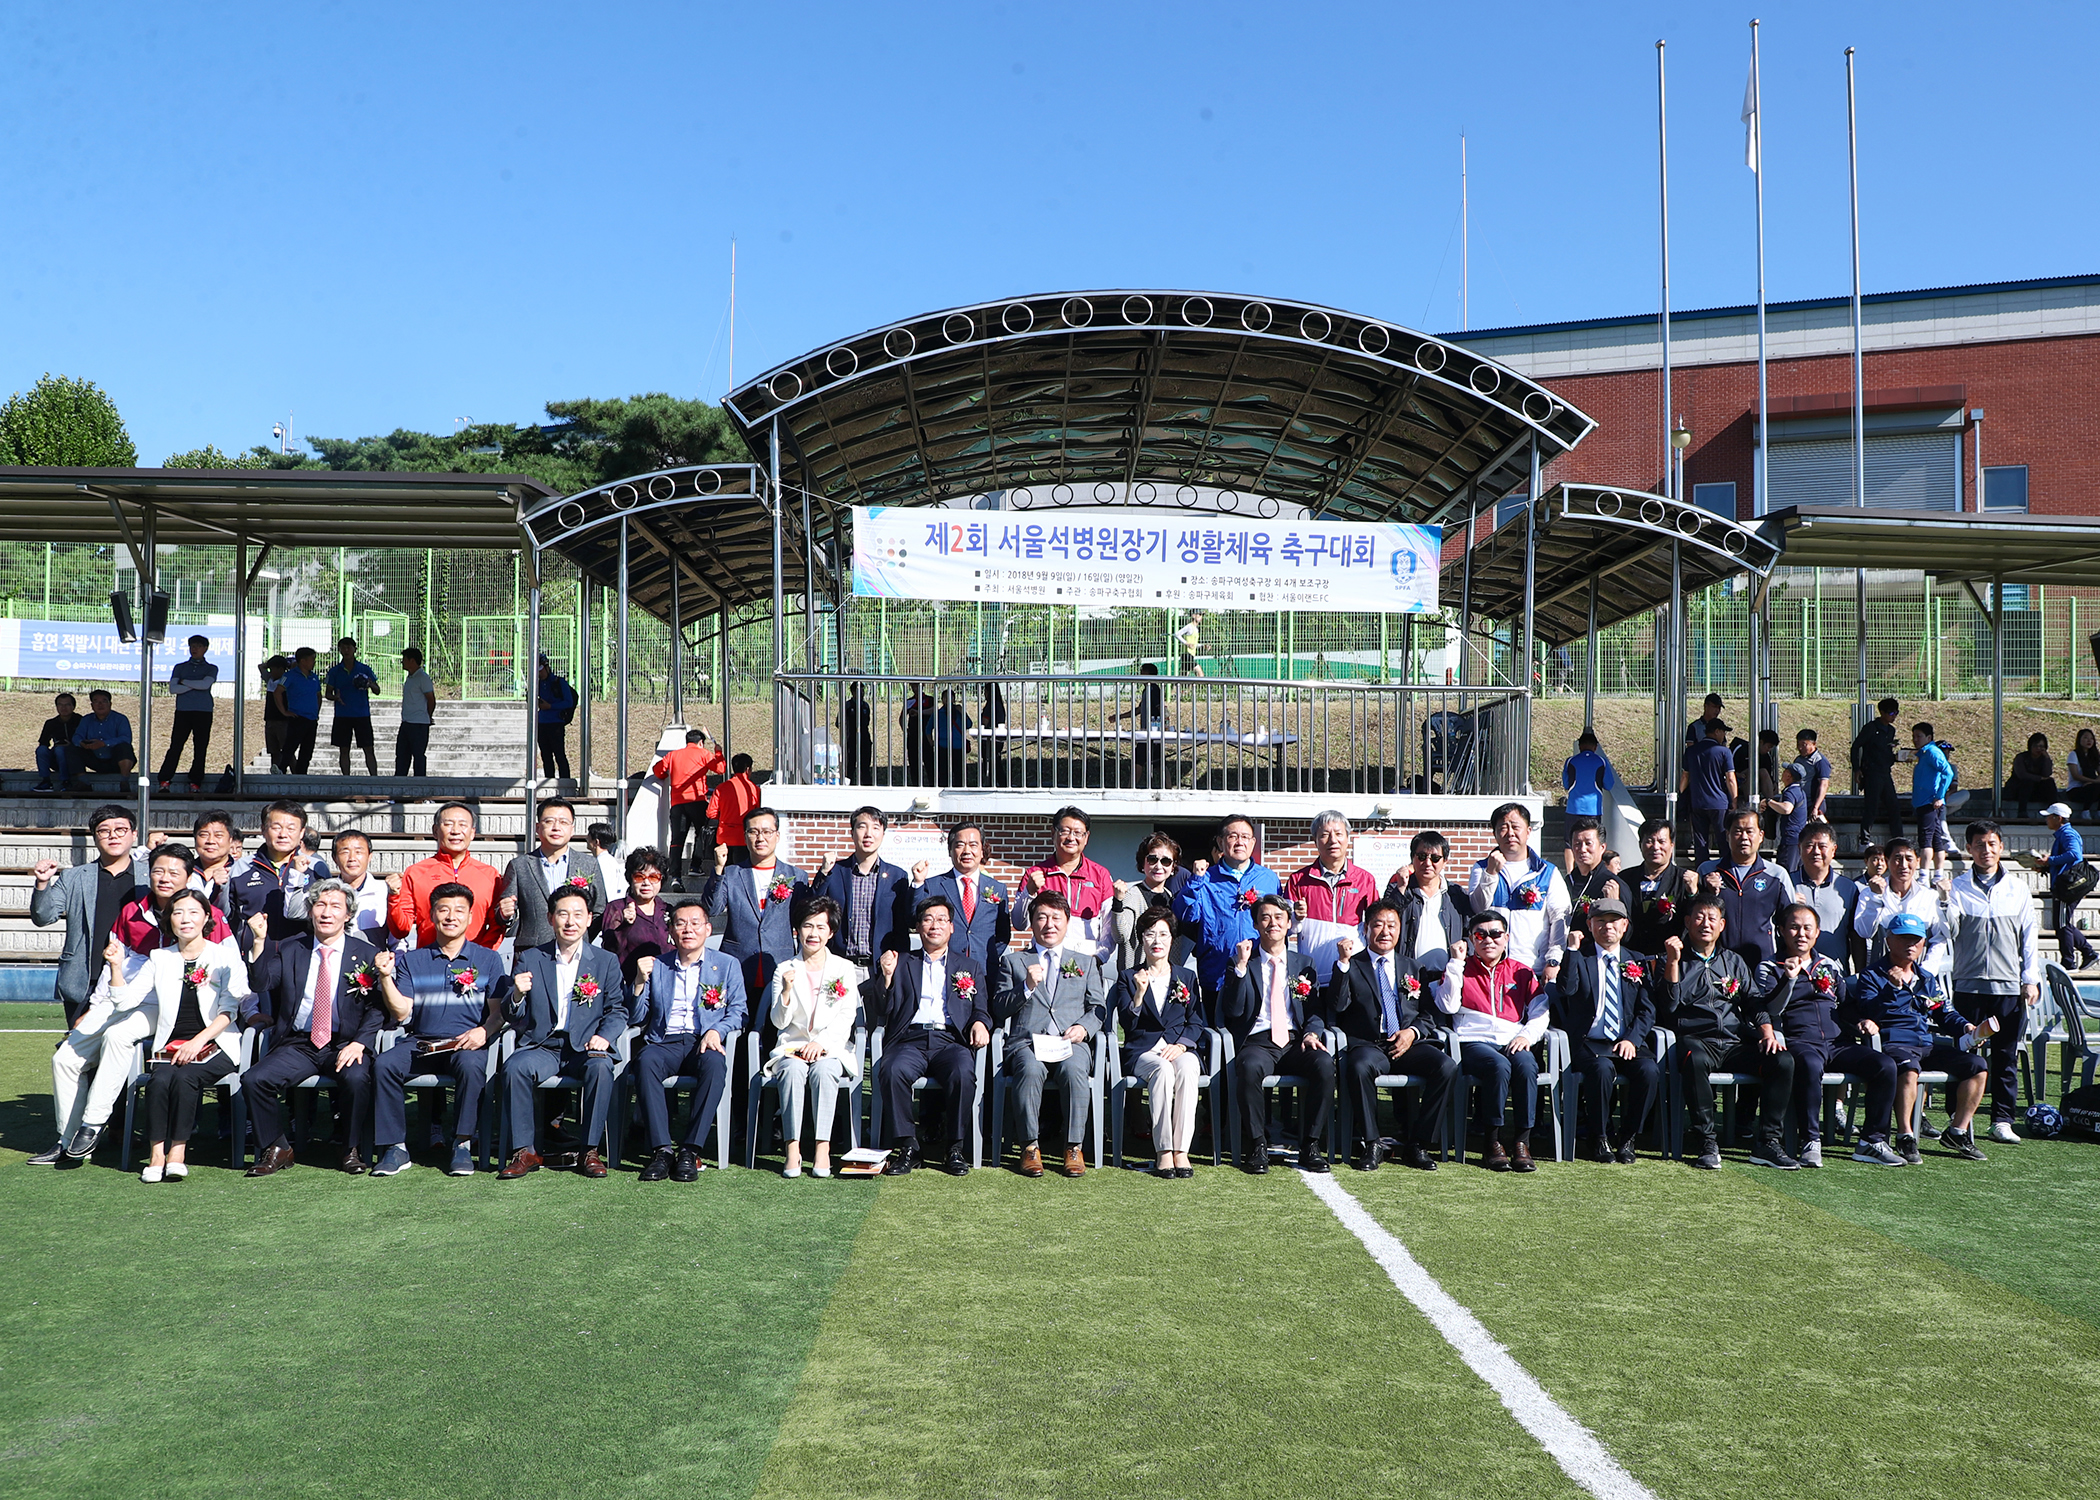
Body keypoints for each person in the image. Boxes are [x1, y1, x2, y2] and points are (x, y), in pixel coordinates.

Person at [238, 879, 384, 1176]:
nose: (326, 913)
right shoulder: (292, 949)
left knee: (357, 1078)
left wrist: (360, 1042)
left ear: (348, 914)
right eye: (320, 905)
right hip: (299, 1043)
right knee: (254, 1079)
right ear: (310, 911)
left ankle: (350, 1148)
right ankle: (278, 1147)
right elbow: (261, 983)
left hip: (345, 1043)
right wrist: (258, 942)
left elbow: (378, 1008)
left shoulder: (365, 953)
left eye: (335, 907)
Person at [369, 882, 508, 1177]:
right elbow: (402, 1011)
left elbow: (498, 1013)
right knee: (383, 1064)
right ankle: (395, 1147)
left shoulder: (488, 959)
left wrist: (483, 1031)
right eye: (443, 910)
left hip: (465, 1043)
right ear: (431, 915)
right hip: (422, 1041)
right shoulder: (414, 960)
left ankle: (461, 1143)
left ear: (471, 917)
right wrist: (384, 978)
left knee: (472, 1067)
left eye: (459, 910)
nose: (451, 916)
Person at [497, 887, 629, 1179]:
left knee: (601, 1068)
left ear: (589, 919)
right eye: (563, 914)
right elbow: (511, 1013)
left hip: (586, 1046)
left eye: (578, 914)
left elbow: (618, 1010)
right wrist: (517, 994)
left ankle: (589, 1150)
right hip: (543, 1046)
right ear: (550, 918)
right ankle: (525, 1152)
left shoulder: (605, 961)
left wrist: (605, 1036)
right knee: (514, 1068)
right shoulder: (531, 958)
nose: (570, 921)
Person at [1751, 902, 1892, 1169]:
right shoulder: (1769, 967)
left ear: (1817, 933)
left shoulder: (1828, 964)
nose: (1800, 933)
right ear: (1781, 930)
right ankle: (1810, 1140)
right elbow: (1769, 1009)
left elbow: (1846, 1004)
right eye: (1793, 927)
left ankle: (1871, 1140)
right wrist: (1789, 980)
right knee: (1809, 1064)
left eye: (1807, 928)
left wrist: (1863, 1020)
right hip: (1799, 1041)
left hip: (1837, 1042)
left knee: (1883, 1065)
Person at [1840, 914, 1991, 1164]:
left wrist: (1966, 1027)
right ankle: (1905, 1135)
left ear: (1923, 944)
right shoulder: (1871, 975)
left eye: (1916, 939)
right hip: (1892, 1044)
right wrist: (1892, 989)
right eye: (1903, 938)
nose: (1910, 944)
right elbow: (1868, 1011)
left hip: (1926, 1044)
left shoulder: (1926, 979)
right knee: (1909, 1069)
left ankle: (1957, 1131)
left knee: (1978, 1068)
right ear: (1889, 940)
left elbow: (1943, 1011)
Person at [870, 893, 992, 1176]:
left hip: (950, 1040)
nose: (934, 925)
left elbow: (982, 1008)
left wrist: (980, 1023)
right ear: (918, 927)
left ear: (951, 927)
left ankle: (955, 1147)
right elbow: (882, 1007)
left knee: (963, 1072)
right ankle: (909, 1146)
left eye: (941, 920)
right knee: (891, 1070)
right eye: (927, 919)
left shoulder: (969, 967)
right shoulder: (901, 962)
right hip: (909, 1039)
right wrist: (886, 978)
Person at [1331, 899, 1456, 1172]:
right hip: (1369, 1045)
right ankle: (1372, 1142)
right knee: (1359, 1066)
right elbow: (1338, 1006)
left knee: (1445, 1067)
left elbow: (1428, 1015)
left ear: (1400, 930)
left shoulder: (1413, 967)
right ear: (1366, 929)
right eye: (1378, 925)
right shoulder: (1351, 965)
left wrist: (1411, 1033)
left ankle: (1419, 1143)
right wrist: (1342, 964)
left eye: (1392, 925)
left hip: (1407, 1043)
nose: (1385, 931)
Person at [131, 890, 249, 1181]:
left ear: (207, 917)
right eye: (178, 912)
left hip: (216, 1043)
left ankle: (178, 1152)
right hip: (170, 1044)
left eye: (193, 912)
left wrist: (198, 1042)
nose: (185, 919)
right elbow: (125, 1000)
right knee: (159, 1080)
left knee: (186, 1077)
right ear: (169, 919)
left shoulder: (223, 956)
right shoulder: (159, 957)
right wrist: (115, 967)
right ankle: (157, 1153)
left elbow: (229, 1011)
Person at [628, 900, 746, 1182]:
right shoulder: (658, 966)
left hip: (703, 1040)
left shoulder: (727, 965)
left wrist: (718, 1030)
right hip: (664, 1041)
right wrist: (639, 983)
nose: (688, 929)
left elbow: (739, 1011)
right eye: (680, 923)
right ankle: (662, 1150)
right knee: (645, 1062)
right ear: (671, 930)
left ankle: (690, 1150)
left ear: (707, 929)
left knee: (716, 1066)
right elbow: (636, 1016)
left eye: (695, 923)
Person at [992, 890, 1107, 1178]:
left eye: (1056, 917)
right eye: (1041, 917)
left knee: (1074, 1070)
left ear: (1067, 922)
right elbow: (999, 1008)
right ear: (1032, 922)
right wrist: (1026, 988)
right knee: (1030, 1071)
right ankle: (1030, 1147)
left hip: (1071, 1042)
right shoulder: (1013, 961)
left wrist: (1083, 1028)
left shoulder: (1085, 962)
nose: (1049, 924)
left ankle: (1073, 1147)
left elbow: (1098, 1007)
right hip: (1028, 1043)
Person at [1661, 892, 1780, 1170]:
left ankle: (1768, 1142)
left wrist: (1766, 1029)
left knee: (1781, 1060)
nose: (1705, 923)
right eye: (1699, 917)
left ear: (1722, 925)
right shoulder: (1675, 959)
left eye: (1712, 918)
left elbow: (1752, 1000)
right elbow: (1669, 1006)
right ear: (1688, 922)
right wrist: (1673, 963)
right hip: (1696, 1040)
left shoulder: (1734, 961)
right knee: (1694, 1057)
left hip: (1734, 1041)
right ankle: (1707, 1141)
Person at [1216, 892, 1330, 1174]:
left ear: (1289, 923)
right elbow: (1232, 1009)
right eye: (1265, 917)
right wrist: (1240, 968)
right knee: (1250, 1067)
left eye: (1279, 917)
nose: (1272, 923)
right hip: (1257, 1041)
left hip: (1295, 1041)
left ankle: (1311, 1144)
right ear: (1256, 924)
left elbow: (1314, 1010)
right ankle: (1257, 1144)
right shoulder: (1242, 961)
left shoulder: (1305, 964)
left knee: (1325, 1065)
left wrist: (1312, 1033)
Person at [1944, 819, 2041, 1145]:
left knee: (2005, 1057)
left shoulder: (2017, 889)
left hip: (2007, 987)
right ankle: (1956, 1119)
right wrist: (1944, 902)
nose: (1986, 850)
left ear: (2000, 847)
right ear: (1969, 848)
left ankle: (2001, 1119)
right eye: (1979, 844)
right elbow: (1950, 931)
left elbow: (2029, 937)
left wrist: (2030, 978)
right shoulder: (1957, 887)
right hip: (1968, 985)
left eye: (1992, 844)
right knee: (1964, 1055)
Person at [1435, 908, 1546, 1171]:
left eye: (1496, 934)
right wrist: (1455, 963)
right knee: (1498, 1065)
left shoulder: (1522, 971)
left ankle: (1521, 1142)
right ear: (1472, 939)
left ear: (1506, 937)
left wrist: (1526, 1035)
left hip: (1512, 1040)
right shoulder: (1460, 968)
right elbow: (1447, 1006)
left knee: (1528, 1065)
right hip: (1473, 1042)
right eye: (1480, 934)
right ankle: (1492, 1141)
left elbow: (1542, 1011)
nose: (1489, 940)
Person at [1554, 897, 1661, 1163]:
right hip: (1589, 1042)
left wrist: (1633, 1040)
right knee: (1601, 1070)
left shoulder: (1636, 960)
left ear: (1624, 926)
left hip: (1625, 1042)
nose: (1607, 927)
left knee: (1649, 1071)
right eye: (1600, 921)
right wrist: (1572, 950)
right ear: (1590, 925)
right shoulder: (1581, 957)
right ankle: (1599, 1136)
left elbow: (1647, 1010)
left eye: (1614, 922)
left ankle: (1628, 1138)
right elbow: (1565, 989)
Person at [28, 803, 148, 1033]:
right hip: (85, 981)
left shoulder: (151, 875)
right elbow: (44, 917)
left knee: (128, 1051)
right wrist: (43, 883)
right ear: (95, 837)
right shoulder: (74, 877)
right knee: (80, 1055)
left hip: (136, 979)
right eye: (104, 830)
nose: (113, 835)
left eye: (121, 829)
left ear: (133, 835)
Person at [765, 899, 860, 1178]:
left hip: (830, 1048)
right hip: (791, 1047)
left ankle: (822, 1146)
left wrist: (822, 1044)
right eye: (807, 926)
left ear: (831, 932)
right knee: (793, 1071)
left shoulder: (843, 968)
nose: (813, 933)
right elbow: (778, 1022)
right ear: (797, 930)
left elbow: (846, 1015)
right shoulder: (784, 969)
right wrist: (785, 992)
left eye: (821, 926)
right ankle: (792, 1147)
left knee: (824, 1071)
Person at [1111, 906, 1209, 1177]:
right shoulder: (1128, 977)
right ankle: (1164, 1151)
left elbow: (1196, 1022)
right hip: (1143, 1051)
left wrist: (1182, 1045)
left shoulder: (1187, 977)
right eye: (1150, 934)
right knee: (1163, 1070)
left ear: (1172, 939)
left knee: (1189, 1066)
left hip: (1178, 1046)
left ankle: (1182, 1150)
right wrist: (1139, 995)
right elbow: (1128, 1025)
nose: (1157, 941)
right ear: (1142, 939)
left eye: (1163, 934)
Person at [705, 806, 810, 999]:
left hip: (780, 966)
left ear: (777, 836)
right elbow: (712, 908)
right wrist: (719, 869)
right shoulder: (732, 874)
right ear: (745, 837)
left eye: (767, 832)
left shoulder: (796, 877)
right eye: (753, 832)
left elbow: (804, 921)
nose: (760, 838)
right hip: (739, 966)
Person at [1175, 813, 1283, 993]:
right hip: (1217, 973)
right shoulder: (1205, 878)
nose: (1240, 842)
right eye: (1233, 836)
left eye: (1245, 837)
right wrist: (1195, 881)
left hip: (1259, 971)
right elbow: (1186, 915)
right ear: (1220, 842)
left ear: (1253, 842)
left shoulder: (1268, 879)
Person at [1466, 802, 1568, 984]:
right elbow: (1477, 909)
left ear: (1528, 831)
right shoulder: (1481, 868)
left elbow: (1560, 918)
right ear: (1495, 834)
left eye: (1515, 827)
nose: (1510, 833)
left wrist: (1554, 960)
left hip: (1531, 970)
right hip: (1490, 971)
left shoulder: (1547, 872)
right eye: (1503, 828)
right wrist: (1490, 873)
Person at [387, 801, 505, 950]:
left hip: (474, 967)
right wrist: (394, 897)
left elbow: (497, 927)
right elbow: (400, 930)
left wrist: (481, 958)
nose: (455, 831)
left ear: (473, 832)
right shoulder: (416, 873)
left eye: (463, 825)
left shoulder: (490, 875)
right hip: (428, 962)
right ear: (435, 831)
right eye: (448, 824)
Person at [813, 806, 915, 979]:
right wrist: (823, 874)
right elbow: (813, 909)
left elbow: (901, 925)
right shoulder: (835, 871)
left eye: (876, 827)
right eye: (862, 826)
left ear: (883, 833)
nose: (869, 833)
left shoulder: (897, 876)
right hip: (838, 967)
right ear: (852, 833)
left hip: (879, 969)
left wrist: (898, 963)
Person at [1284, 810, 1379, 982]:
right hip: (1313, 975)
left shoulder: (1365, 880)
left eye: (1338, 834)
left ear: (1348, 838)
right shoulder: (1298, 880)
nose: (1333, 840)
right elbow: (1286, 928)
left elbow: (1376, 925)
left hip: (1353, 974)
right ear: (1315, 841)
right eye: (1325, 835)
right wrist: (1296, 917)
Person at [500, 798, 605, 952]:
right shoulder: (519, 866)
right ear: (537, 827)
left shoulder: (589, 864)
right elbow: (504, 912)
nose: (556, 828)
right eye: (549, 821)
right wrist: (504, 914)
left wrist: (581, 935)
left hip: (577, 950)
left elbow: (600, 909)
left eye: (563, 822)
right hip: (532, 951)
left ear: (572, 829)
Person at [1697, 810, 1798, 967]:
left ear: (1761, 836)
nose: (1744, 837)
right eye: (1737, 831)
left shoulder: (1777, 875)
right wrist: (1706, 891)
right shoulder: (1707, 871)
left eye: (1750, 831)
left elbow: (1791, 921)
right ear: (1727, 835)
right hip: (1719, 963)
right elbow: (1693, 916)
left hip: (1763, 963)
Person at [1020, 805, 1118, 967]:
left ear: (1086, 837)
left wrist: (1099, 957)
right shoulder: (1035, 874)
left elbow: (1109, 926)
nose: (1071, 837)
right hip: (1045, 961)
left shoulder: (1101, 875)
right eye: (1065, 831)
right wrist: (1029, 892)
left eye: (1078, 833)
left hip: (1088, 961)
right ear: (1053, 833)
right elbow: (1019, 923)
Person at [227, 799, 332, 942]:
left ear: (301, 833)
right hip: (255, 955)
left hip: (301, 955)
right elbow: (228, 915)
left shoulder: (316, 868)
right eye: (276, 827)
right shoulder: (241, 868)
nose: (283, 834)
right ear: (263, 829)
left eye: (291, 828)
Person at [915, 821, 1013, 973]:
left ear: (982, 851)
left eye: (973, 845)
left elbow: (1003, 935)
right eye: (960, 845)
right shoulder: (933, 885)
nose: (967, 851)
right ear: (950, 850)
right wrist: (917, 883)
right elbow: (912, 918)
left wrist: (987, 956)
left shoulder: (998, 889)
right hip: (944, 969)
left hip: (985, 971)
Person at [1852, 837, 1951, 979]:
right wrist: (1876, 898)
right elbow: (1864, 932)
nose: (1903, 865)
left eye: (1909, 859)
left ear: (1918, 861)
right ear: (1887, 861)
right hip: (1881, 975)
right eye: (1897, 858)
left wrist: (1926, 971)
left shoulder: (1930, 896)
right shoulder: (1869, 893)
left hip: (1919, 974)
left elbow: (1939, 938)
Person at [1388, 830, 1473, 986]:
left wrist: (1463, 959)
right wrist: (1400, 890)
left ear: (1445, 861)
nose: (1427, 863)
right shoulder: (1399, 889)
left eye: (1435, 858)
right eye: (1421, 857)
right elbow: (1386, 920)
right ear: (1412, 859)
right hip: (1407, 978)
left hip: (1447, 979)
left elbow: (1471, 932)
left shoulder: (1456, 894)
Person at [113, 844, 234, 953]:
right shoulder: (131, 912)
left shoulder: (210, 914)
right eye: (158, 872)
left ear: (189, 877)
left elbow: (230, 960)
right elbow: (114, 958)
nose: (165, 879)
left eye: (173, 873)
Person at [294, 829, 391, 947]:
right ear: (334, 858)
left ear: (370, 856)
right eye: (345, 852)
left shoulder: (384, 891)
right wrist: (297, 875)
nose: (352, 858)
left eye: (358, 852)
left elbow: (396, 939)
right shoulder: (323, 891)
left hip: (372, 962)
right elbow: (294, 911)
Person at [651, 728, 724, 883]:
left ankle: (675, 874)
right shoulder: (703, 754)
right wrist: (718, 753)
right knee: (701, 833)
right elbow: (720, 769)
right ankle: (695, 866)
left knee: (677, 839)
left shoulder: (672, 755)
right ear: (701, 743)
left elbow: (658, 771)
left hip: (677, 804)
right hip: (697, 801)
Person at [1787, 821, 1861, 974]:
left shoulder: (1848, 888)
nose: (1815, 851)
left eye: (1822, 846)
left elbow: (1856, 936)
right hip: (1793, 972)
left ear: (1833, 850)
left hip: (1835, 974)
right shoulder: (1786, 884)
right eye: (1809, 845)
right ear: (1799, 848)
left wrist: (1860, 973)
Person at [1111, 832, 1190, 972]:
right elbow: (1121, 936)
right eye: (1152, 860)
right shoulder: (1132, 896)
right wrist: (1118, 902)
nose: (1159, 866)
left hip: (1167, 977)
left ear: (1173, 867)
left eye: (1166, 861)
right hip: (1137, 978)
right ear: (1143, 863)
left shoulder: (1172, 898)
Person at [2033, 803, 2098, 969]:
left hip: (2066, 887)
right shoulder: (2063, 834)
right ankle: (2088, 953)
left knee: (2061, 924)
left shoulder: (2068, 834)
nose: (2046, 819)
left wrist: (2050, 860)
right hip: (2064, 885)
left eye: (2049, 816)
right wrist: (2046, 866)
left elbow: (2074, 855)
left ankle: (2069, 962)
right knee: (2062, 923)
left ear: (2058, 818)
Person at [598, 848, 674, 985]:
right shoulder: (616, 908)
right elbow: (609, 951)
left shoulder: (668, 910)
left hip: (665, 982)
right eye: (639, 876)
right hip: (629, 983)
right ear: (630, 878)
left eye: (653, 877)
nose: (646, 883)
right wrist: (625, 925)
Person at [1625, 818, 1696, 958]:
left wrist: (1692, 894)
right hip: (1631, 956)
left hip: (1670, 958)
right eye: (1649, 841)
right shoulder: (1625, 878)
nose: (1655, 847)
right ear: (1640, 845)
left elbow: (1693, 919)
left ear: (1671, 845)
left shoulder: (1685, 879)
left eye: (1662, 842)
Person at [156, 634, 219, 792]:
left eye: (198, 646)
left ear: (205, 649)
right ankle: (165, 779)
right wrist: (194, 684)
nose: (194, 649)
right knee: (176, 745)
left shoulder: (211, 668)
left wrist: (184, 682)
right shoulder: (180, 667)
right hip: (183, 711)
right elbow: (173, 688)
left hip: (204, 711)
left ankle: (196, 781)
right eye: (192, 646)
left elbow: (205, 685)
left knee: (200, 746)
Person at [1679, 717, 1737, 864]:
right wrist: (1735, 800)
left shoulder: (1691, 751)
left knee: (1700, 841)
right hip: (1719, 803)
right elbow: (1730, 778)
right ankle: (1725, 869)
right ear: (1716, 731)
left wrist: (1681, 794)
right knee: (1723, 839)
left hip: (1697, 802)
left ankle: (1702, 870)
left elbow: (1685, 776)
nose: (1724, 736)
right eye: (1723, 732)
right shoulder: (1724, 752)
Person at [318, 637, 379, 777]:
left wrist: (370, 684)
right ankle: (346, 779)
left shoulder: (364, 669)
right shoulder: (334, 671)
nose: (346, 651)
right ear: (339, 650)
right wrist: (335, 697)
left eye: (349, 647)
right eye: (343, 648)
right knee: (344, 749)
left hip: (362, 714)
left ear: (354, 649)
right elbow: (328, 693)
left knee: (368, 748)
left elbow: (377, 690)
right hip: (342, 715)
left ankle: (374, 778)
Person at [1851, 697, 1904, 850]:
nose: (1893, 716)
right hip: (1872, 772)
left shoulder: (1891, 730)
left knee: (1893, 805)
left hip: (1885, 772)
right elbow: (1856, 746)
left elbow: (1886, 752)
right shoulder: (1871, 728)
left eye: (1896, 713)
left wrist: (1898, 757)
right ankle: (1864, 840)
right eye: (1890, 713)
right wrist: (1857, 768)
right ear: (1881, 713)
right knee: (1871, 806)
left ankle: (1898, 839)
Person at [1561, 816, 1621, 943]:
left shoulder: (1613, 884)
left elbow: (1627, 933)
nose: (1582, 849)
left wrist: (1614, 905)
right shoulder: (1566, 882)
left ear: (1602, 847)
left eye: (1588, 843)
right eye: (1577, 844)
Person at [1909, 722, 1955, 876]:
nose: (1915, 739)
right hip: (1924, 800)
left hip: (1928, 801)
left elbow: (1948, 772)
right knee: (1936, 840)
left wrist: (1940, 796)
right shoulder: (1923, 753)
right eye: (1914, 736)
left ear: (1929, 737)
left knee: (1926, 840)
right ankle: (1938, 874)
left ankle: (1923, 874)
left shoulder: (1932, 752)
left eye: (1919, 736)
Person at [67, 688, 137, 786]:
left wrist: (104, 743)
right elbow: (77, 737)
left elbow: (126, 738)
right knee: (72, 748)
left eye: (104, 701)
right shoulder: (86, 719)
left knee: (125, 747)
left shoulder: (121, 719)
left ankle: (124, 782)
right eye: (96, 702)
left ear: (110, 704)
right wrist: (82, 743)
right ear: (92, 706)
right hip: (95, 759)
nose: (100, 705)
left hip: (115, 760)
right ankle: (84, 783)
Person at [707, 754, 762, 870]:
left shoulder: (721, 788)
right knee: (741, 872)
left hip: (724, 836)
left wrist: (724, 816)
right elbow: (757, 815)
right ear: (748, 769)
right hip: (744, 838)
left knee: (724, 872)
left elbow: (711, 813)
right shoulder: (755, 790)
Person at [274, 647, 324, 775]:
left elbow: (318, 695)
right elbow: (278, 692)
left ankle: (301, 775)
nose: (314, 662)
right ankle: (281, 770)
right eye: (312, 659)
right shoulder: (289, 675)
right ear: (303, 661)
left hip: (312, 719)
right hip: (297, 718)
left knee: (307, 751)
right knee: (289, 748)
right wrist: (284, 711)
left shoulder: (314, 677)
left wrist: (316, 712)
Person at [188, 809, 241, 921]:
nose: (211, 841)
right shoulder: (184, 872)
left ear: (230, 840)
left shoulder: (241, 872)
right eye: (204, 835)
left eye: (218, 835)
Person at [1560, 729, 1616, 830]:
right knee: (1592, 840)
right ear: (1595, 747)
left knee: (1571, 841)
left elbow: (1566, 784)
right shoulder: (1601, 761)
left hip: (1573, 809)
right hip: (1593, 811)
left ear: (1579, 746)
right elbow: (1609, 785)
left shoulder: (1570, 761)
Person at [395, 646, 437, 778]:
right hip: (407, 722)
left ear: (412, 661)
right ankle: (398, 787)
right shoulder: (410, 677)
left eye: (404, 659)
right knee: (402, 755)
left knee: (418, 756)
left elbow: (431, 699)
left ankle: (420, 787)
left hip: (419, 723)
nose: (402, 662)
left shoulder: (422, 677)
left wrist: (427, 716)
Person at [534, 654, 577, 782]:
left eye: (541, 668)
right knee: (545, 756)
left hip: (555, 723)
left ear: (547, 667)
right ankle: (549, 781)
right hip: (542, 723)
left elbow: (568, 702)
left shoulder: (559, 682)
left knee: (559, 754)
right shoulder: (537, 684)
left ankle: (565, 782)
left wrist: (551, 706)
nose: (539, 673)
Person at [1763, 761, 1809, 872]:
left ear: (1788, 776)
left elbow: (1786, 809)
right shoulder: (1799, 791)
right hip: (1798, 838)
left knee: (1785, 872)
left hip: (1790, 838)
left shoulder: (1791, 791)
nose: (1782, 773)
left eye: (1785, 771)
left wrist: (1769, 802)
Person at [32, 691, 81, 790]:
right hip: (56, 756)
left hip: (75, 757)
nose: (64, 708)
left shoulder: (80, 720)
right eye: (60, 705)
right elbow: (43, 742)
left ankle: (65, 781)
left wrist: (71, 745)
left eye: (67, 705)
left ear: (73, 706)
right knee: (41, 750)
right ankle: (46, 781)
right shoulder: (51, 723)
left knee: (61, 750)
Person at [2004, 732, 2057, 820]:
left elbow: (2047, 774)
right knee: (2027, 782)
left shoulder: (2043, 758)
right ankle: (2022, 812)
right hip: (2019, 789)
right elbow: (2022, 774)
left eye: (2041, 747)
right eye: (2036, 746)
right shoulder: (2021, 757)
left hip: (2036, 790)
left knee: (2049, 782)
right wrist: (2039, 778)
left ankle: (2054, 811)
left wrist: (2047, 759)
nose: (2038, 749)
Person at [258, 653, 292, 773]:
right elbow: (261, 667)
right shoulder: (270, 680)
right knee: (274, 751)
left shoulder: (287, 680)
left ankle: (295, 773)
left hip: (283, 721)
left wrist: (287, 664)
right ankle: (275, 773)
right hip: (270, 719)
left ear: (281, 669)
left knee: (287, 751)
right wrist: (270, 663)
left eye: (273, 669)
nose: (271, 671)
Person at [931, 691, 972, 786]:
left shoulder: (958, 712)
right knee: (943, 773)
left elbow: (969, 724)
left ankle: (960, 790)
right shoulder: (938, 713)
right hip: (943, 747)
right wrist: (932, 742)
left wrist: (963, 712)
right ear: (942, 700)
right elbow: (928, 729)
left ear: (954, 699)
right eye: (945, 697)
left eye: (950, 697)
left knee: (959, 773)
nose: (948, 700)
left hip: (958, 747)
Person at [839, 682, 875, 786]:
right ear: (853, 692)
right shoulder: (847, 705)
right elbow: (839, 722)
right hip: (851, 740)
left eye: (863, 690)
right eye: (859, 690)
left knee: (865, 767)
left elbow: (867, 721)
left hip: (864, 739)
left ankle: (867, 787)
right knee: (850, 767)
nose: (862, 693)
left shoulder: (865, 705)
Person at [1795, 729, 1834, 824]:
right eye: (1798, 744)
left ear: (1814, 744)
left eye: (1804, 745)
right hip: (1800, 803)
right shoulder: (1798, 760)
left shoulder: (1820, 761)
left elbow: (1823, 785)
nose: (1800, 748)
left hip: (1813, 804)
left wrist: (1816, 807)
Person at [587, 823, 628, 902]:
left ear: (596, 842)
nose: (586, 839)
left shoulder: (599, 863)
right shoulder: (611, 861)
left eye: (588, 836)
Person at [2066, 728, 2100, 821]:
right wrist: (2092, 781)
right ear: (2079, 740)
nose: (2089, 740)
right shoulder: (2074, 754)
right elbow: (2075, 775)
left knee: (2096, 787)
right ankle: (2085, 811)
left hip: (2092, 787)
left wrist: (2094, 782)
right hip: (2076, 789)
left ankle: (2098, 812)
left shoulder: (2094, 756)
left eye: (2091, 738)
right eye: (2085, 738)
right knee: (2094, 787)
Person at [1175, 610, 1205, 675]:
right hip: (1187, 655)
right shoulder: (1189, 627)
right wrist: (1186, 643)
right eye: (1199, 614)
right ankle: (1198, 685)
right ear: (1193, 616)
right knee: (1199, 673)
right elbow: (1177, 634)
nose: (1201, 617)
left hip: (1191, 655)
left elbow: (1194, 644)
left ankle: (1180, 685)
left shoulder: (1196, 629)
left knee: (1182, 678)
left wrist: (1202, 646)